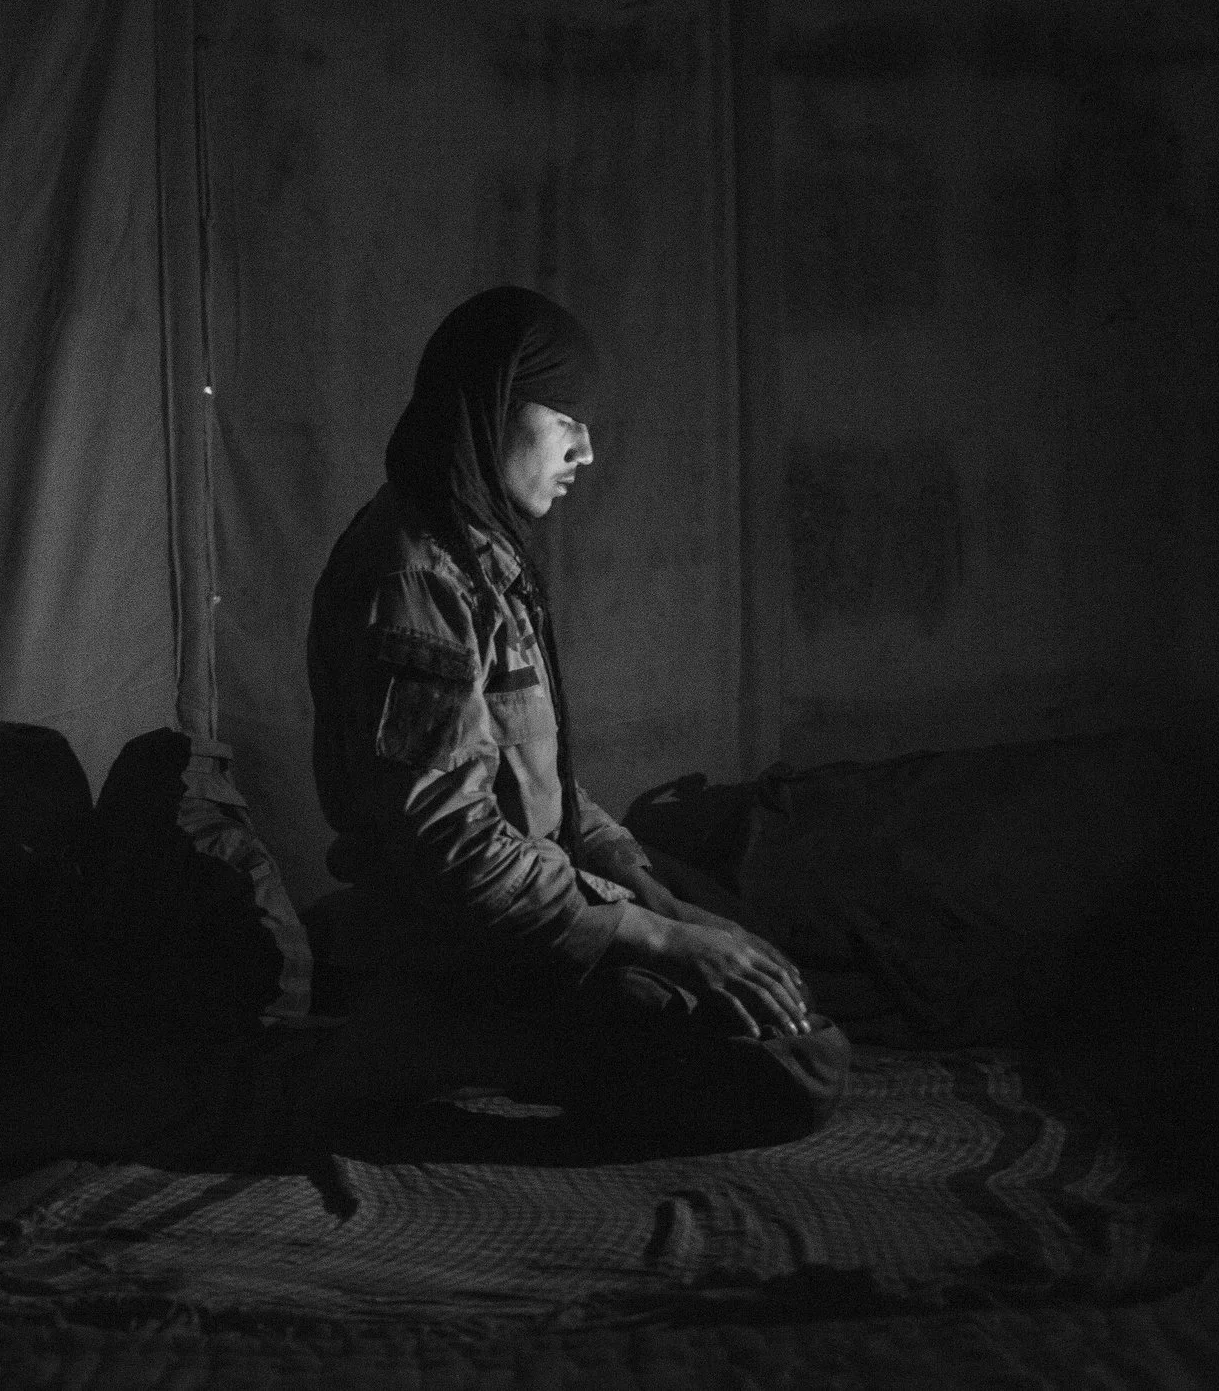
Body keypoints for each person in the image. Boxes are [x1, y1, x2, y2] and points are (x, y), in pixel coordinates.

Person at [306, 285, 848, 1150]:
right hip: (474, 940)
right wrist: (654, 936)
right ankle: (451, 1035)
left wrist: (659, 898)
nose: (586, 451)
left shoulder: (481, 555)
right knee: (792, 1069)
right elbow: (453, 852)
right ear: (491, 411)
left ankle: (497, 1036)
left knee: (772, 967)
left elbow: (545, 789)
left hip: (537, 905)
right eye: (566, 419)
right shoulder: (415, 582)